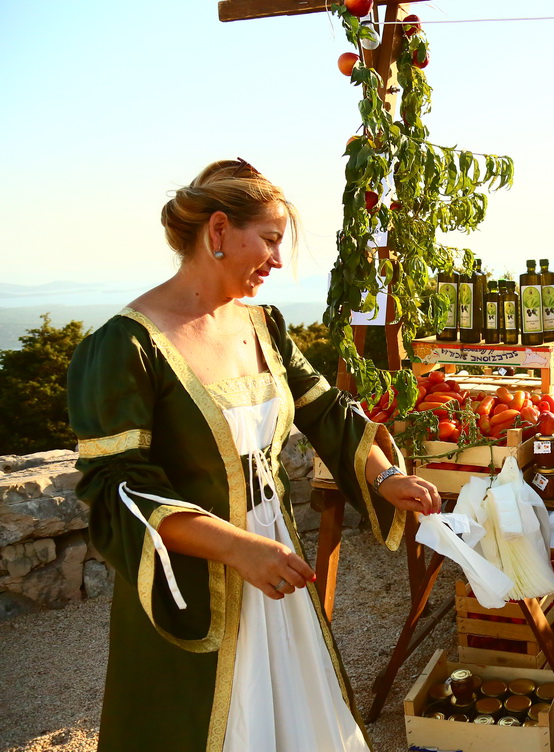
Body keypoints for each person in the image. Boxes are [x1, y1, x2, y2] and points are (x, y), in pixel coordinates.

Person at [67, 159, 441, 752]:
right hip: (197, 576)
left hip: (275, 560)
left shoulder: (263, 325)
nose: (276, 260)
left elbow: (324, 409)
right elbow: (121, 493)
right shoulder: (126, 345)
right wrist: (239, 548)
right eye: (269, 241)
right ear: (218, 231)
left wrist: (386, 475)